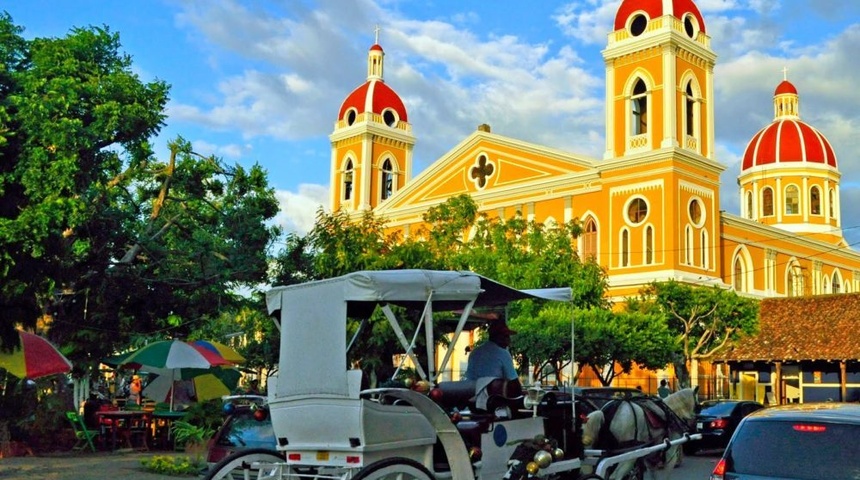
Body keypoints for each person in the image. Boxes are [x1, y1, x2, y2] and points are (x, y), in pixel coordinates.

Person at [465, 319, 522, 396]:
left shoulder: (474, 352)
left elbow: (469, 378)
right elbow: (514, 384)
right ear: (497, 336)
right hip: (493, 400)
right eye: (506, 336)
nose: (509, 340)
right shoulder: (503, 353)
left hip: (472, 397)